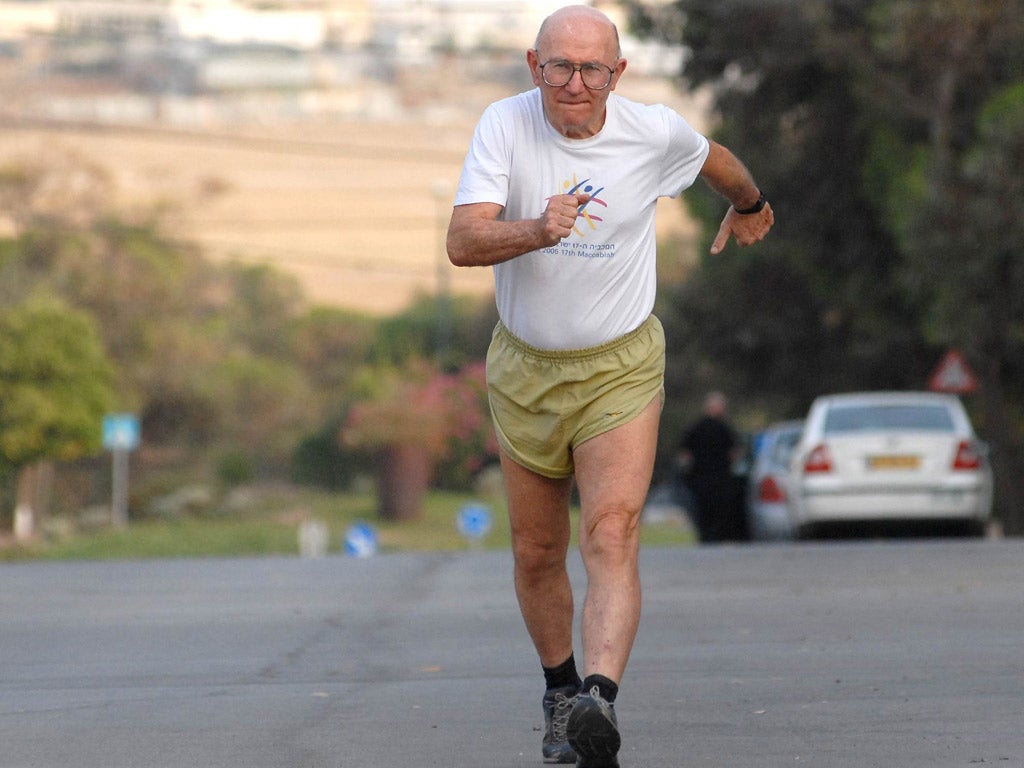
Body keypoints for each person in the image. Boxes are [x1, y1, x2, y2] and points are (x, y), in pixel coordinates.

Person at [445, 6, 774, 766]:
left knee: (612, 532)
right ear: (535, 67)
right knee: (535, 549)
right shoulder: (504, 126)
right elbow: (464, 241)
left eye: (592, 68)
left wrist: (750, 205)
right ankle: (560, 694)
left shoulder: (651, 132)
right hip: (526, 367)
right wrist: (536, 227)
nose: (575, 83)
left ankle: (600, 698)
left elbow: (718, 158)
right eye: (559, 66)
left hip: (621, 366)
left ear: (616, 74)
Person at [678, 391, 744, 543]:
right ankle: (714, 537)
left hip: (702, 478)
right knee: (717, 510)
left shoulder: (696, 427)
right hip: (717, 478)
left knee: (704, 510)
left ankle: (707, 537)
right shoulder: (724, 428)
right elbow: (735, 452)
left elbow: (684, 454)